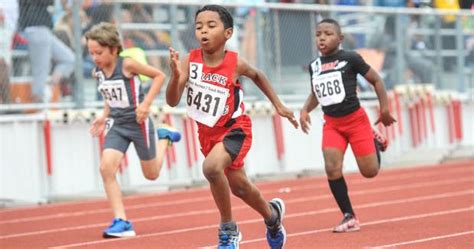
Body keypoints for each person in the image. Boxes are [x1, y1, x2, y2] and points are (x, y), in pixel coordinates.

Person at [166, 5, 298, 249]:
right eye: (199, 26)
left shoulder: (235, 62)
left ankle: (229, 230)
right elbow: (172, 100)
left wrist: (278, 104)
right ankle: (272, 216)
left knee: (212, 168)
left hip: (235, 129)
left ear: (227, 33)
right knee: (240, 187)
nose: (203, 31)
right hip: (207, 134)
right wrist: (175, 77)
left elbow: (258, 75)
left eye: (211, 25)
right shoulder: (189, 61)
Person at [85, 22, 181, 238]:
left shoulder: (127, 64)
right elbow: (109, 96)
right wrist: (104, 115)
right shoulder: (98, 72)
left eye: (98, 52)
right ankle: (122, 220)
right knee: (106, 168)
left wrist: (146, 104)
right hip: (117, 125)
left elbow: (159, 76)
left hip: (138, 123)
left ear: (113, 48)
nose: (94, 57)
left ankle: (164, 137)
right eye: (91, 53)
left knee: (152, 174)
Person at [299, 18, 395, 233]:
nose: (322, 38)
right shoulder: (314, 66)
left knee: (370, 172)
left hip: (356, 121)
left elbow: (377, 80)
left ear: (340, 39)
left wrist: (385, 109)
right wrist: (305, 109)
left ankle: (373, 138)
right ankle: (349, 216)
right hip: (332, 124)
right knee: (331, 167)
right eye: (318, 34)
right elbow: (316, 92)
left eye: (328, 34)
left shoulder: (350, 59)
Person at [18, 0, 75, 103]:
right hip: (35, 29)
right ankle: (38, 104)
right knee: (41, 70)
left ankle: (50, 86)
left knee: (69, 59)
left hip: (46, 30)